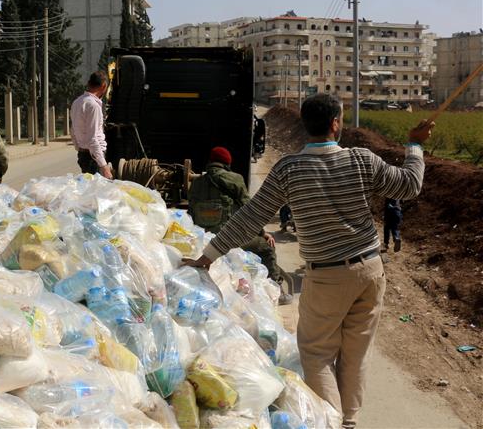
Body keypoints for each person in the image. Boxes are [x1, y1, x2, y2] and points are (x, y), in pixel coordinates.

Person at [185, 94, 433, 429]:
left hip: (327, 275)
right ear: (335, 123)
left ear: (306, 125)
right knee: (355, 354)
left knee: (317, 354)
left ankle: (333, 423)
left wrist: (208, 255)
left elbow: (250, 217)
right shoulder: (361, 160)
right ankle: (349, 421)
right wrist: (414, 146)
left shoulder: (289, 169)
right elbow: (409, 185)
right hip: (370, 270)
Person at [187, 146, 290, 305]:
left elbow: (191, 212)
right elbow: (250, 210)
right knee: (267, 248)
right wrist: (263, 234)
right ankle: (278, 290)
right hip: (228, 239)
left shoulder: (196, 183)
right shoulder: (234, 179)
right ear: (226, 163)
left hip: (205, 240)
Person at [71, 71, 113, 179]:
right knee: (96, 193)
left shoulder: (77, 102)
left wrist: (80, 148)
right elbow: (92, 139)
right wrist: (104, 166)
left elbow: (73, 130)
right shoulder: (93, 106)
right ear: (104, 86)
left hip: (84, 155)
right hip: (93, 159)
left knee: (89, 190)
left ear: (89, 84)